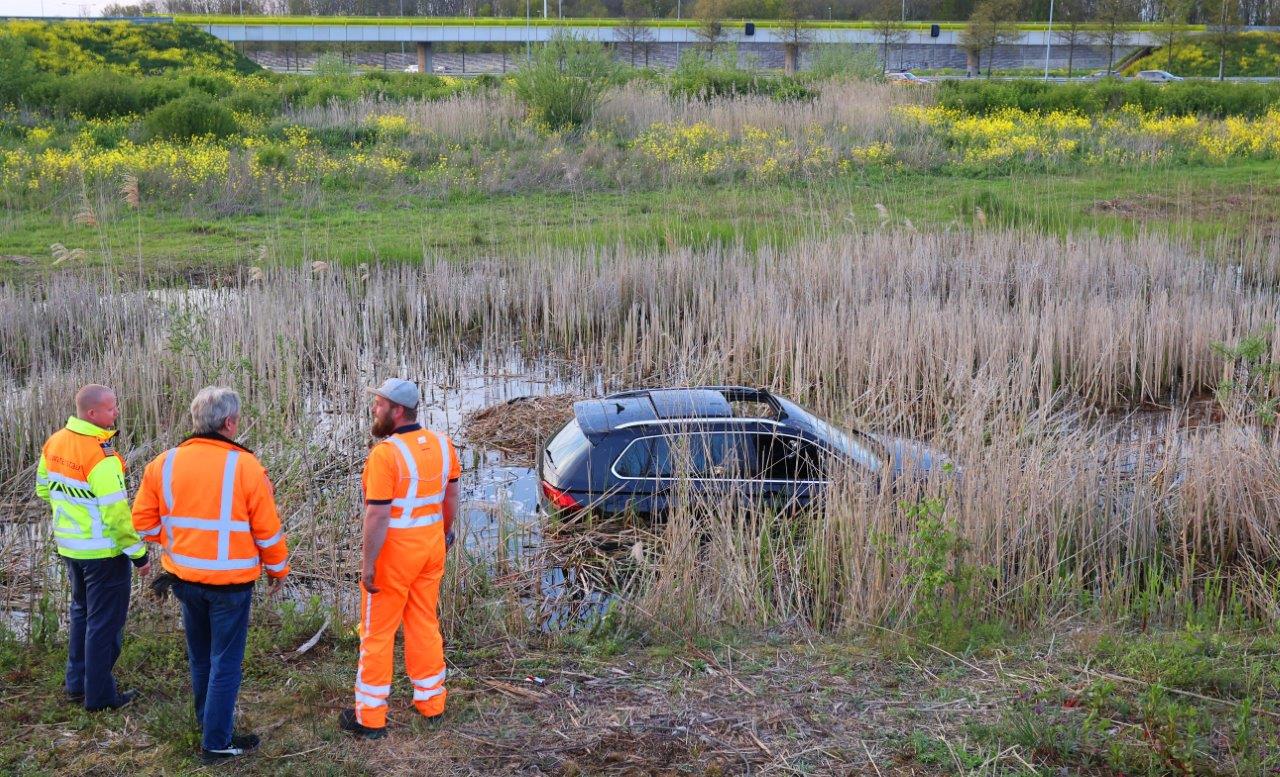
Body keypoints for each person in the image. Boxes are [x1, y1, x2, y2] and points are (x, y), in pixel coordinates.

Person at [132, 387, 290, 765]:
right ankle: (216, 742)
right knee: (226, 664)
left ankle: (209, 724)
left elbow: (142, 520)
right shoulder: (247, 466)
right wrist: (278, 568)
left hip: (185, 580)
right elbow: (267, 528)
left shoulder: (164, 463)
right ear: (229, 423)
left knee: (201, 657)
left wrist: (174, 543)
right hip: (231, 585)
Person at [339, 378, 460, 739]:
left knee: (377, 633)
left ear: (397, 410)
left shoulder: (386, 455)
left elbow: (377, 515)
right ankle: (431, 702)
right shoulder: (443, 444)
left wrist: (368, 565)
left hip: (395, 554)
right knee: (423, 622)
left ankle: (371, 719)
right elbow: (451, 498)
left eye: (378, 404)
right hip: (430, 548)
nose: (373, 410)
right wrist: (444, 533)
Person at [36, 384, 150, 711]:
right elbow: (116, 515)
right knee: (105, 626)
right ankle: (99, 697)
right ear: (92, 413)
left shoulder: (54, 442)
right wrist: (139, 555)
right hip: (103, 554)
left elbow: (44, 490)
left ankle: (77, 684)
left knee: (81, 615)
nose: (116, 412)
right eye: (112, 408)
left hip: (70, 548)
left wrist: (73, 510)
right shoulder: (103, 457)